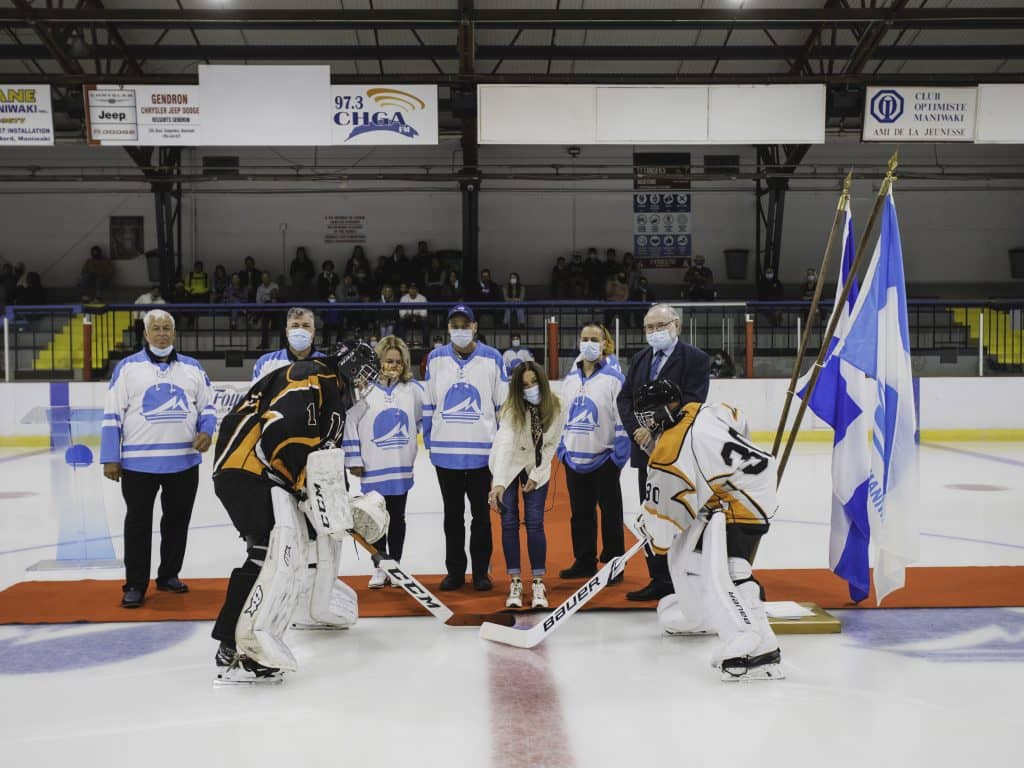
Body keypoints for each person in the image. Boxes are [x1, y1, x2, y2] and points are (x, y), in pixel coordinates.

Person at [210, 344, 385, 684]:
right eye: (362, 377)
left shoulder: (331, 393)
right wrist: (304, 484)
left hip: (265, 475)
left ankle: (237, 640)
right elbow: (284, 430)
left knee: (273, 551)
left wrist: (336, 499)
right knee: (271, 552)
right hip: (248, 470)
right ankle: (238, 642)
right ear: (348, 366)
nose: (363, 387)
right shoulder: (311, 376)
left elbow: (324, 457)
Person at [634, 379, 783, 681]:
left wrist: (649, 529)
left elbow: (663, 531)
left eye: (649, 415)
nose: (646, 423)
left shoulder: (669, 449)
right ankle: (729, 627)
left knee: (721, 569)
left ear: (665, 410)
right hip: (755, 482)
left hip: (740, 500)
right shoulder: (704, 409)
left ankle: (749, 639)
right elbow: (739, 420)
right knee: (715, 564)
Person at [100, 309, 216, 609]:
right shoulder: (127, 368)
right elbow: (112, 414)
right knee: (137, 524)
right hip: (139, 465)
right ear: (146, 334)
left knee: (177, 522)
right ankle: (135, 585)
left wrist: (207, 430)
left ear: (174, 334)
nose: (162, 333)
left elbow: (208, 407)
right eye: (156, 328)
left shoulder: (192, 368)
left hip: (184, 462)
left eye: (167, 328)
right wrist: (111, 457)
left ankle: (168, 576)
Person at [617, 303, 710, 602]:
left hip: (681, 452)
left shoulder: (695, 359)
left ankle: (689, 575)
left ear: (677, 326)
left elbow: (692, 401)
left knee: (686, 512)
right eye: (650, 327)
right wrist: (637, 431)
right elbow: (625, 398)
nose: (655, 332)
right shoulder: (641, 358)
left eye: (661, 326)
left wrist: (655, 424)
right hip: (647, 452)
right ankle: (658, 577)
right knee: (652, 512)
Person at [423, 303, 509, 591]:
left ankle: (481, 572)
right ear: (448, 328)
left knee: (482, 517)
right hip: (446, 456)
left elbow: (504, 407)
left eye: (465, 324)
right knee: (452, 516)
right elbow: (429, 405)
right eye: (454, 325)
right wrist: (432, 444)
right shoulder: (435, 359)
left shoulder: (492, 358)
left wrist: (501, 452)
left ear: (474, 327)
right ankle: (455, 572)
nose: (460, 329)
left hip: (483, 455)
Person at [343, 336, 423, 588]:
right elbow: (350, 423)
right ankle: (380, 566)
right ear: (379, 361)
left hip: (400, 468)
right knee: (375, 520)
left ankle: (395, 567)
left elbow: (421, 420)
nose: (394, 365)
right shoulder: (363, 391)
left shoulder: (412, 391)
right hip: (373, 467)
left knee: (397, 518)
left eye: (398, 361)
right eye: (389, 360)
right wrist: (354, 458)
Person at [487, 362, 564, 609]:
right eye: (524, 385)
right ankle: (516, 581)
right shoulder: (512, 408)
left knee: (534, 522)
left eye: (533, 383)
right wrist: (498, 483)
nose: (529, 388)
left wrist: (538, 474)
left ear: (542, 382)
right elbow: (506, 443)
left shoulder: (557, 405)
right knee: (508, 523)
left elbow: (551, 445)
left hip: (535, 464)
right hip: (507, 464)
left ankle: (538, 582)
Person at [558, 323, 630, 583]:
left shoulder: (614, 379)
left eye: (594, 339)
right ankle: (584, 561)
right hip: (574, 459)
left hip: (604, 459)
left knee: (611, 515)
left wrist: (617, 459)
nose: (588, 343)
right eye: (584, 338)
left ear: (605, 344)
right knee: (580, 513)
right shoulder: (571, 379)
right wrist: (562, 450)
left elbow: (623, 421)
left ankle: (614, 565)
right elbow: (562, 416)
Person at [252, 307, 326, 381]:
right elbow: (257, 392)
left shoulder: (326, 364)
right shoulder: (265, 363)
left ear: (313, 332)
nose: (300, 330)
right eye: (295, 326)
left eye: (306, 326)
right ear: (287, 332)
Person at [397, 282, 429, 347]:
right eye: (411, 289)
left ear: (417, 290)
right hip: (408, 319)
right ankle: (402, 344)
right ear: (408, 290)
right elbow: (402, 314)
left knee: (425, 321)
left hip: (419, 320)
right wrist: (413, 315)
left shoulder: (422, 298)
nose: (413, 290)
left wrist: (412, 314)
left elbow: (424, 314)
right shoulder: (404, 298)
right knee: (401, 321)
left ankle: (426, 344)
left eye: (414, 289)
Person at [255, 271, 280, 349]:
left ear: (269, 278)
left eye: (266, 278)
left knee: (283, 324)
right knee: (264, 323)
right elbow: (258, 301)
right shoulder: (259, 288)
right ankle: (264, 343)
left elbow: (277, 299)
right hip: (265, 310)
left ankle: (284, 344)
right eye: (263, 278)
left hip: (275, 310)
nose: (264, 279)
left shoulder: (275, 285)